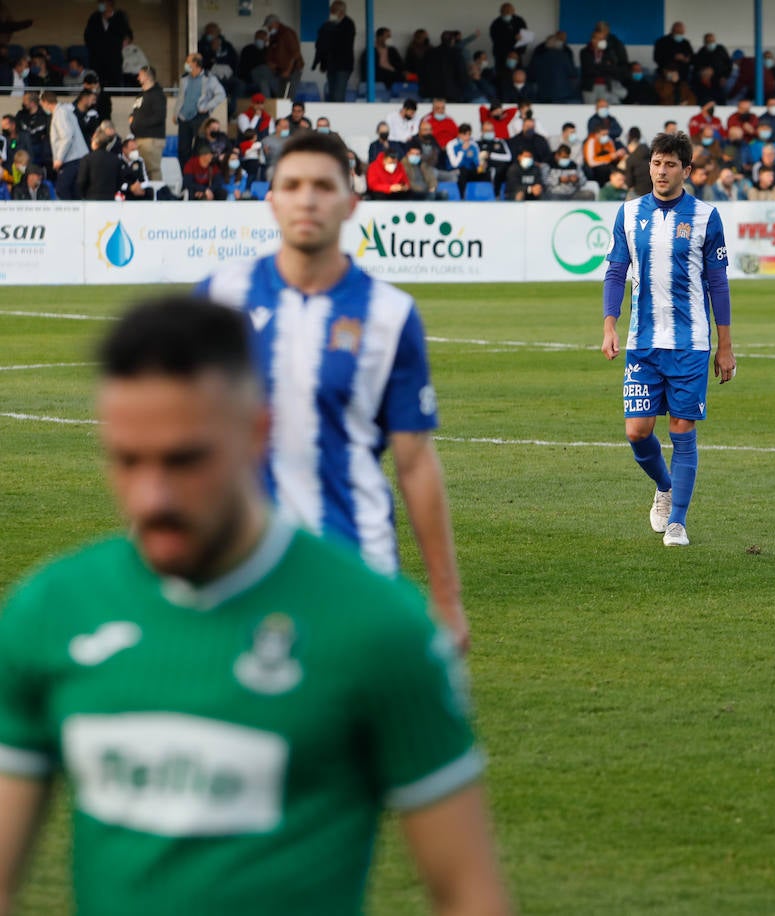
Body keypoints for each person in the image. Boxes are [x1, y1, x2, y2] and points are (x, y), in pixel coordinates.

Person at [0, 296, 509, 916]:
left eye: (185, 460)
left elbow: (467, 893)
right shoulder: (49, 611)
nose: (152, 496)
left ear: (257, 434)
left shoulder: (381, 630)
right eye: (127, 461)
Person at [194, 132, 472, 650]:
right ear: (270, 198)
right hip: (237, 568)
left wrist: (446, 598)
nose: (307, 198)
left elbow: (415, 462)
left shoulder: (391, 316)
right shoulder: (218, 298)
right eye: (292, 184)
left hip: (357, 567)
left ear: (350, 203)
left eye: (323, 186)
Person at [600, 131, 735, 548]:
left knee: (681, 429)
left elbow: (718, 282)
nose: (661, 171)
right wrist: (609, 325)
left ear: (686, 170)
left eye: (670, 164)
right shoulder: (628, 213)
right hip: (643, 342)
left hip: (690, 343)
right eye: (657, 163)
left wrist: (725, 345)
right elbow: (615, 272)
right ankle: (665, 486)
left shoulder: (705, 217)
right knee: (637, 432)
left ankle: (677, 522)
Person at [177, 54, 226, 168]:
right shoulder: (184, 78)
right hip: (184, 117)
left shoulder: (209, 78)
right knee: (182, 150)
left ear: (195, 64)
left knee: (199, 148)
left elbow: (221, 94)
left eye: (188, 61)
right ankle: (186, 175)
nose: (186, 64)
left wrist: (207, 106)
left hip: (200, 117)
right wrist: (176, 113)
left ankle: (196, 174)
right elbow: (181, 98)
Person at [41, 90, 86, 200]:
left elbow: (66, 136)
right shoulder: (64, 112)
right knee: (74, 190)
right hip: (76, 158)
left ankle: (70, 215)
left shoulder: (60, 113)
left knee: (62, 188)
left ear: (46, 102)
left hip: (72, 159)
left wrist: (59, 159)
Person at [83, 0, 133, 96]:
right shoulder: (95, 17)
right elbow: (87, 36)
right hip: (97, 59)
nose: (100, 5)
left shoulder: (120, 17)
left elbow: (128, 34)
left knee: (114, 83)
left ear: (110, 4)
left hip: (114, 58)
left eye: (103, 3)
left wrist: (125, 40)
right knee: (98, 84)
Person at [127, 64, 165, 181]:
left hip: (151, 138)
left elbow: (159, 116)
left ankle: (156, 195)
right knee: (142, 169)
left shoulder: (157, 94)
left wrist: (139, 122)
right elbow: (137, 111)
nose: (138, 78)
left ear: (147, 76)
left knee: (152, 169)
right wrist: (132, 118)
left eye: (140, 75)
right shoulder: (141, 94)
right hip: (140, 137)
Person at [313, 1, 356, 103]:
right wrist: (323, 63)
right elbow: (322, 45)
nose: (331, 13)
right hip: (330, 65)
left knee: (338, 95)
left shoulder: (348, 24)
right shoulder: (328, 25)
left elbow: (342, 43)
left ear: (341, 11)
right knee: (332, 94)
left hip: (343, 66)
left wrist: (331, 31)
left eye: (333, 10)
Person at [263, 14, 304, 98]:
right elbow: (272, 52)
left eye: (269, 26)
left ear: (275, 24)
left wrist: (288, 70)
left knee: (288, 96)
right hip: (280, 71)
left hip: (292, 70)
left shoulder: (287, 33)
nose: (268, 29)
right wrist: (271, 63)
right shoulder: (274, 36)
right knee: (281, 96)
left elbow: (295, 53)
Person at [490, 3, 528, 71]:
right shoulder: (496, 23)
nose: (508, 13)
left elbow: (525, 36)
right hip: (501, 54)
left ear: (513, 11)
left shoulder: (519, 21)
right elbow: (496, 40)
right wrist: (513, 38)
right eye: (505, 11)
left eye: (510, 11)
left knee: (517, 75)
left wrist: (519, 52)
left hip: (517, 54)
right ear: (501, 12)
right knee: (502, 75)